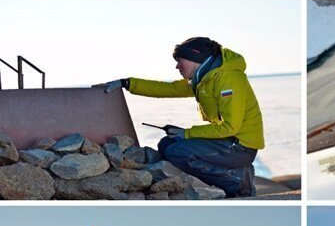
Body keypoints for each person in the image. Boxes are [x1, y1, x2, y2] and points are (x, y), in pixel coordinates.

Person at [99, 37, 264, 198]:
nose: (177, 66)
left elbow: (229, 127)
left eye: (180, 60)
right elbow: (168, 89)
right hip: (225, 140)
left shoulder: (227, 79)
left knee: (177, 152)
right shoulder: (204, 78)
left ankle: (238, 181)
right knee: (166, 144)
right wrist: (127, 83)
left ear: (195, 58)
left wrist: (187, 134)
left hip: (240, 146)